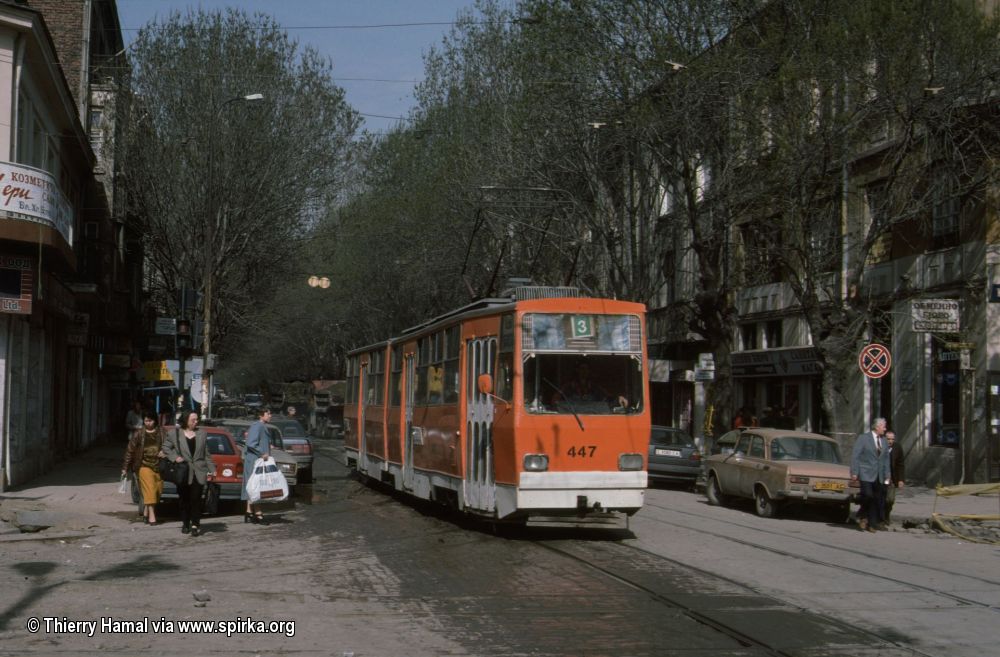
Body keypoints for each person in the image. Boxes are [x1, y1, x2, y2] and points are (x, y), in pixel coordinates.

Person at [162, 410, 211, 537]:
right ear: (185, 421)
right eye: (193, 420)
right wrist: (175, 457)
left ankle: (195, 524)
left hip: (198, 471)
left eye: (197, 419)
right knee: (184, 499)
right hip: (183, 471)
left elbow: (206, 453)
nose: (196, 422)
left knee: (196, 499)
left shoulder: (202, 434)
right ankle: (185, 523)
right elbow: (166, 448)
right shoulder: (174, 433)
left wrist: (212, 469)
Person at [121, 411, 165, 525]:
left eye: (150, 420)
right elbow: (130, 450)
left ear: (155, 420)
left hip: (159, 466)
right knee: (150, 489)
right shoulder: (139, 433)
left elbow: (170, 446)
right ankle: (152, 516)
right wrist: (125, 468)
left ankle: (146, 509)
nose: (148, 423)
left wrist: (165, 452)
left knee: (157, 491)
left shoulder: (162, 432)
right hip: (143, 466)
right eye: (146, 420)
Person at [850, 417, 890, 532]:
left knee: (876, 499)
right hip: (865, 473)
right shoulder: (863, 438)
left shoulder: (884, 441)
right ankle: (863, 514)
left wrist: (887, 474)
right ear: (877, 427)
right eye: (884, 426)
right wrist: (854, 472)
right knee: (868, 495)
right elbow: (855, 456)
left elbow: (886, 459)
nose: (885, 429)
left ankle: (871, 524)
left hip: (879, 475)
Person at [242, 407, 272, 525]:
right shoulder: (257, 425)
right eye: (268, 413)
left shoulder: (261, 426)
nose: (270, 416)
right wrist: (262, 452)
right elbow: (250, 443)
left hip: (257, 460)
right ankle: (257, 513)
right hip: (254, 461)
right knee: (256, 486)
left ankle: (249, 512)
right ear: (261, 415)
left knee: (253, 485)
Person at [559, 362, 628, 408]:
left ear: (589, 371)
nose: (584, 371)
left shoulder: (595, 387)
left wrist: (619, 398)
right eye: (582, 368)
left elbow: (608, 397)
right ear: (577, 370)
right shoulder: (568, 386)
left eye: (586, 369)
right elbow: (556, 399)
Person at [885, 430, 905, 524]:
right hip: (881, 478)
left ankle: (886, 514)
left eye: (892, 439)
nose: (890, 441)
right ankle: (881, 518)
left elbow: (900, 464)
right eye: (888, 439)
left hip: (892, 478)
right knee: (880, 498)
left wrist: (901, 479)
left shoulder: (897, 447)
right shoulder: (880, 447)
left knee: (890, 499)